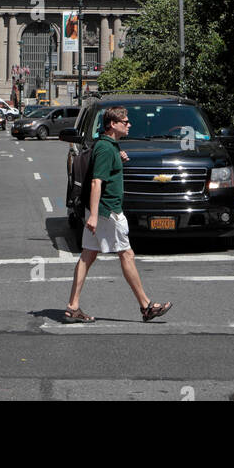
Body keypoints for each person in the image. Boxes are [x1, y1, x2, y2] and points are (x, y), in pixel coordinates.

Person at [64, 106, 172, 324]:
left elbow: (104, 173)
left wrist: (117, 160)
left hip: (102, 210)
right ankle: (146, 306)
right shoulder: (105, 148)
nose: (129, 124)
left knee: (88, 255)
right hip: (108, 211)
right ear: (113, 125)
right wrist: (94, 215)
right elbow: (96, 182)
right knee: (126, 254)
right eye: (125, 121)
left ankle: (72, 306)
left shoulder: (108, 147)